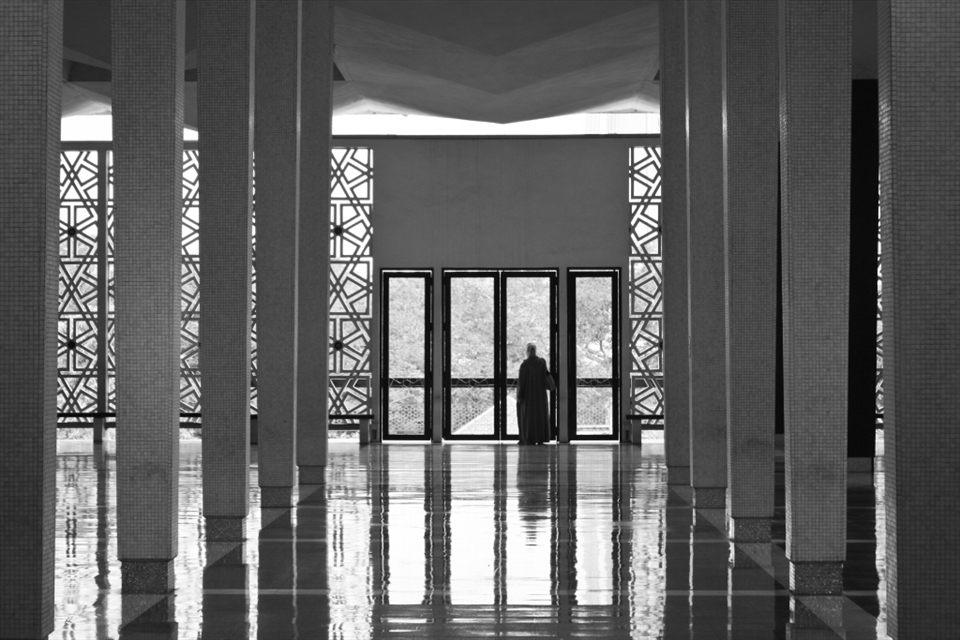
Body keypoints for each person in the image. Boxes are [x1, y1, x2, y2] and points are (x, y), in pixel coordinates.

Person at [516, 342, 555, 445]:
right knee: (540, 415)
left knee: (529, 416)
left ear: (527, 351)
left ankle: (529, 438)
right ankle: (541, 437)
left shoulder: (524, 365)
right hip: (540, 394)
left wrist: (519, 395)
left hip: (528, 396)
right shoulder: (541, 362)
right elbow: (546, 375)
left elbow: (522, 382)